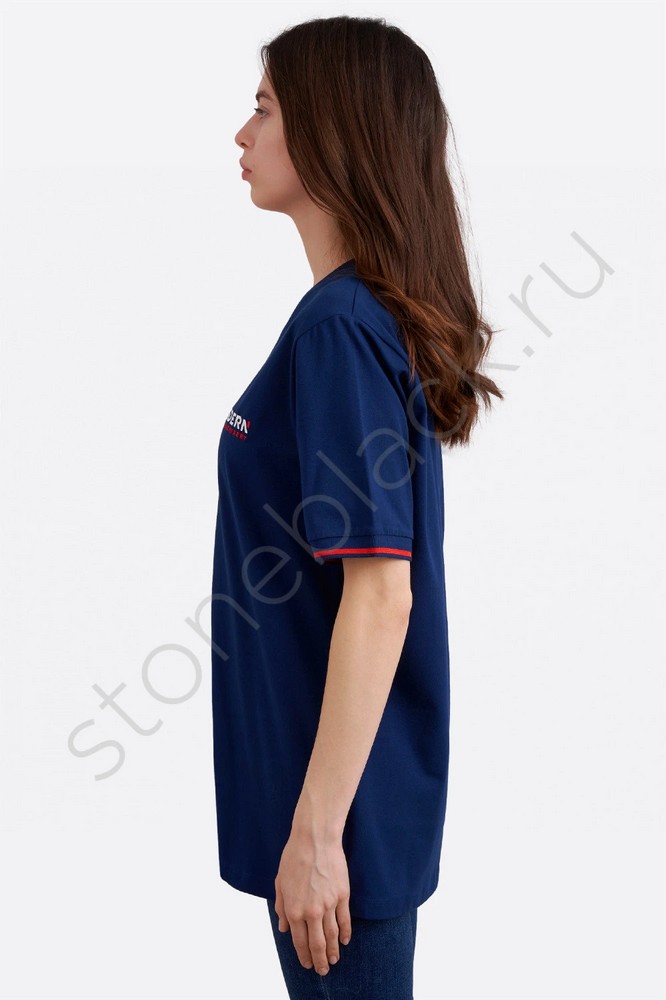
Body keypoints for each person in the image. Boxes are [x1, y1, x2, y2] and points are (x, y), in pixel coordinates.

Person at [212, 14, 503, 999]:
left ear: (331, 130)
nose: (242, 133)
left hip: (339, 825)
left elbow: (382, 593)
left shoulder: (339, 327)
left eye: (263, 109)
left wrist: (316, 833)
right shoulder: (352, 318)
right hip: (339, 809)